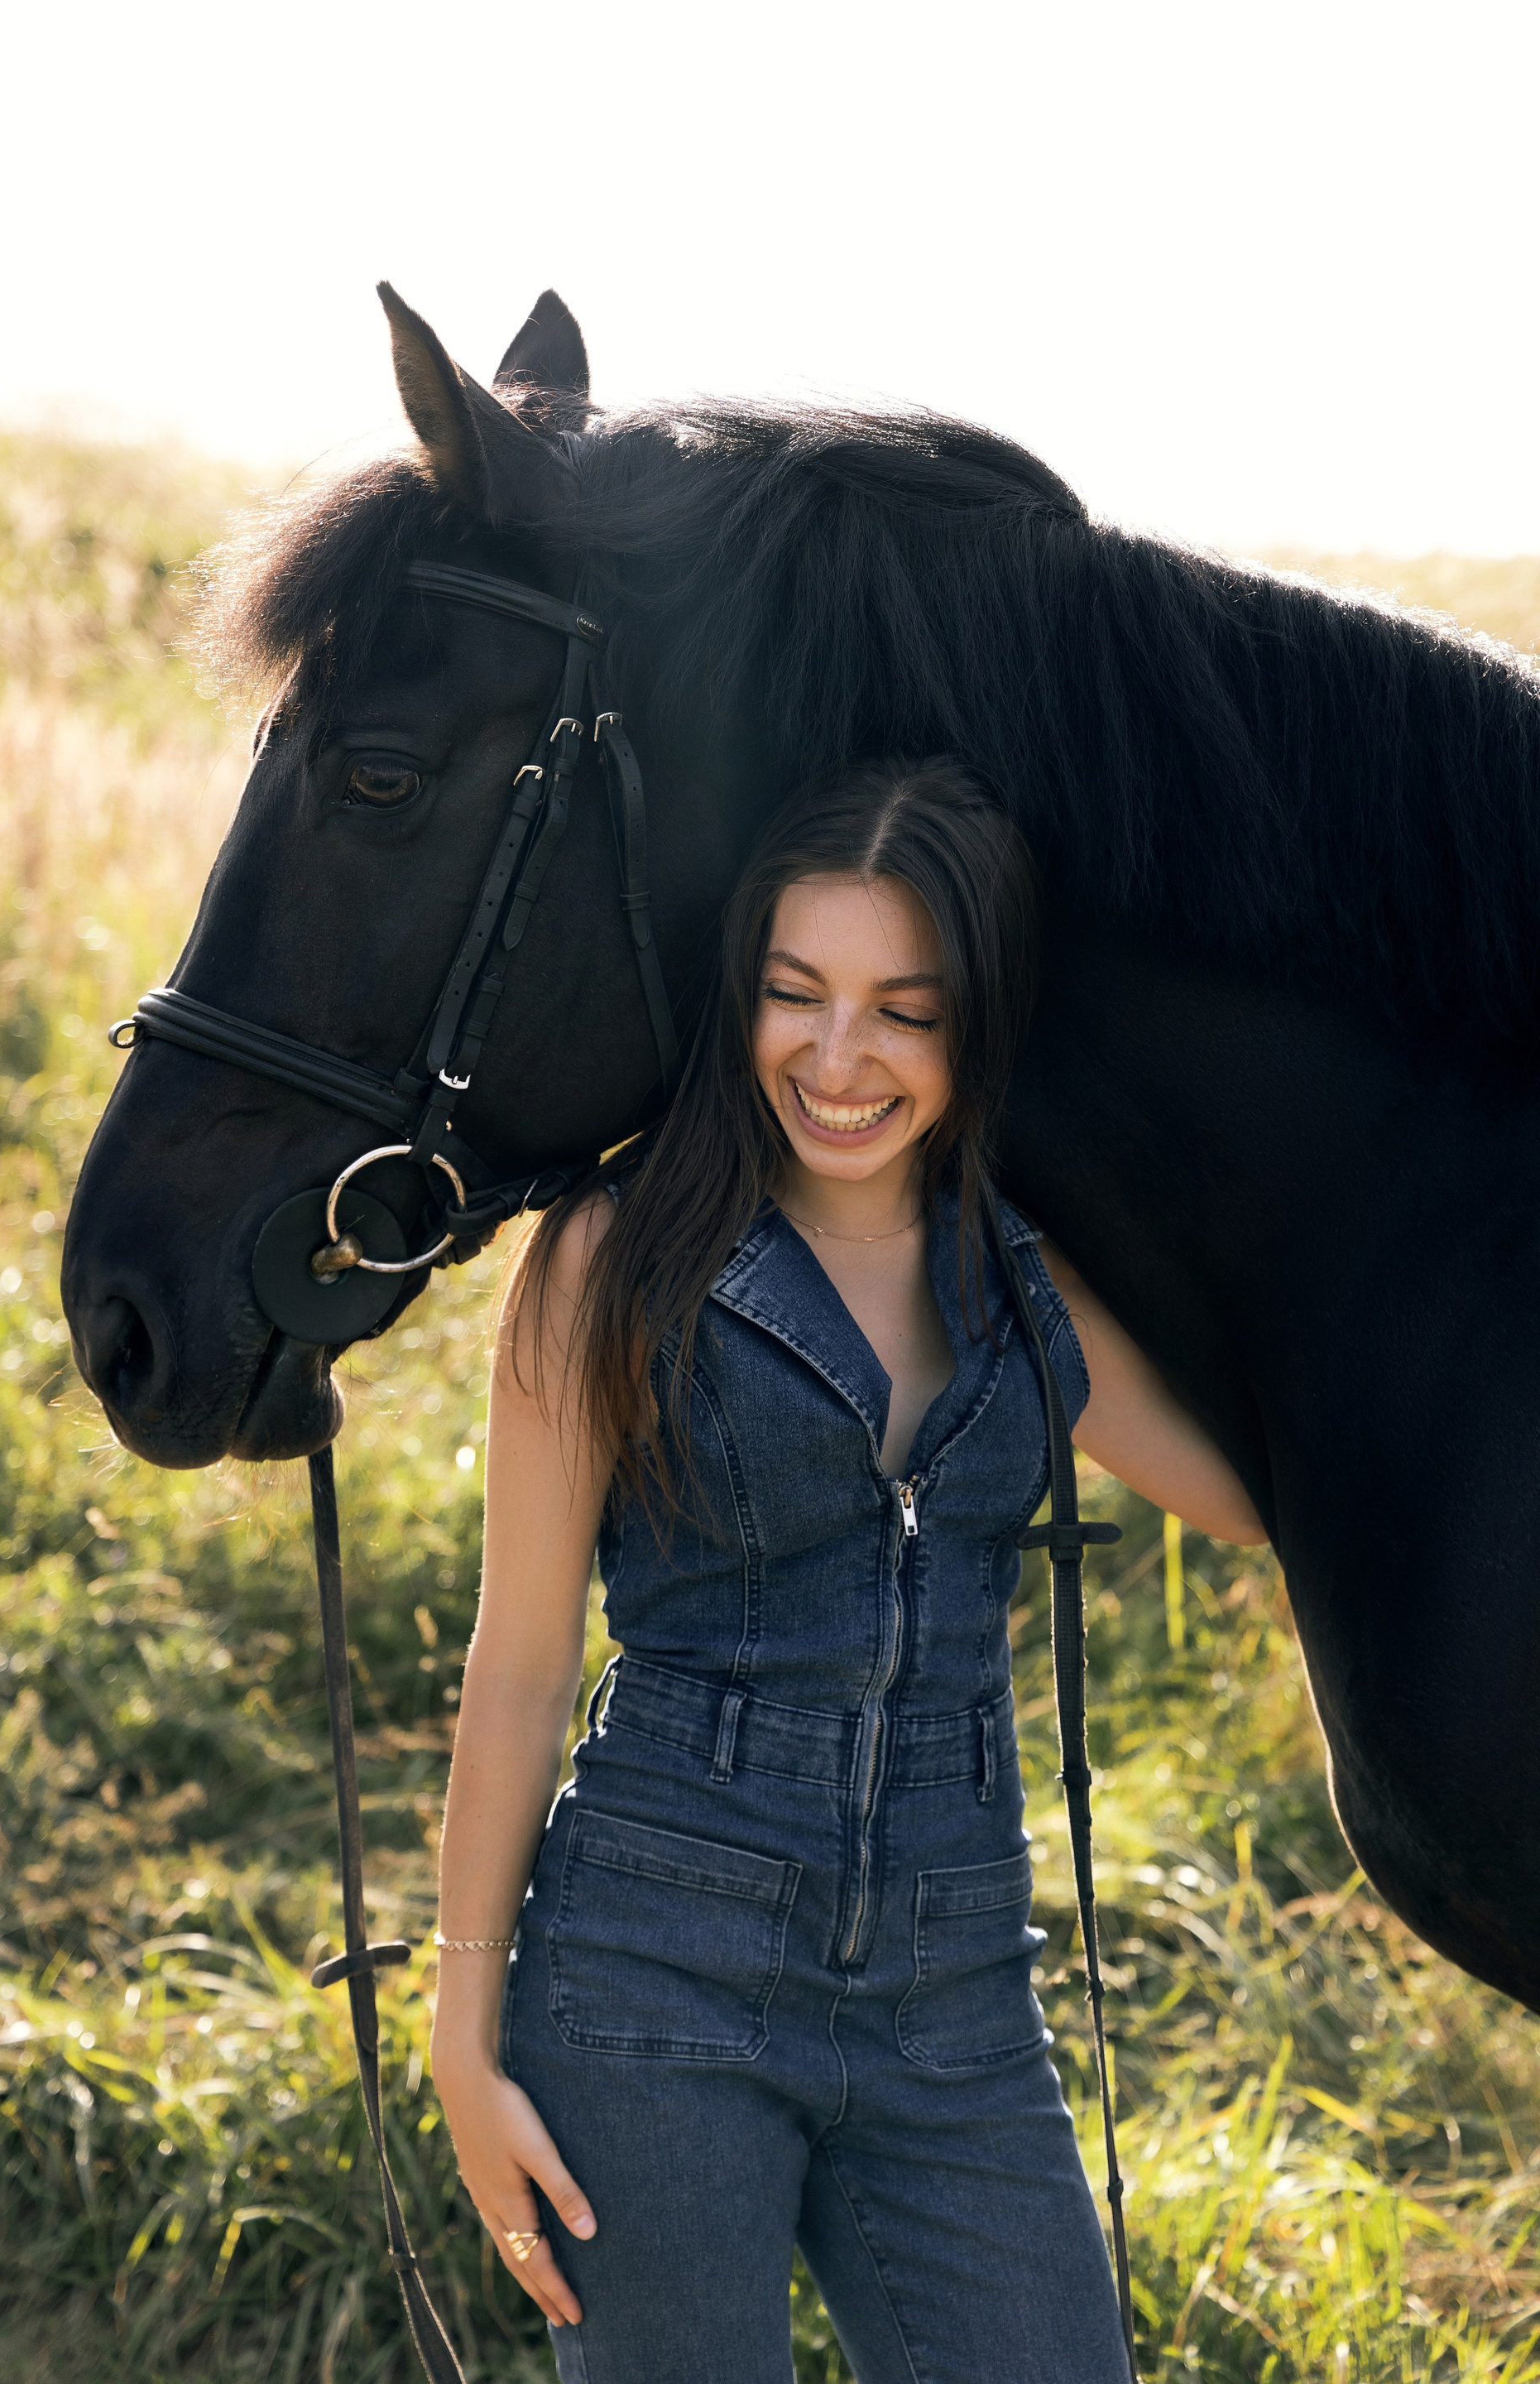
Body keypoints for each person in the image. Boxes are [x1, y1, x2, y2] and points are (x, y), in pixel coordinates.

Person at [429, 757, 1265, 2384]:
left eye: (904, 1011)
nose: (835, 1059)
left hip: (958, 1991)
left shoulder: (1024, 1280)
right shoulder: (613, 1259)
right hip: (654, 1970)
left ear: (976, 1025)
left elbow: (1249, 1499)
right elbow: (519, 1668)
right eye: (794, 993)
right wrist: (464, 2043)